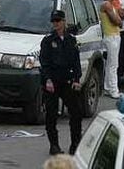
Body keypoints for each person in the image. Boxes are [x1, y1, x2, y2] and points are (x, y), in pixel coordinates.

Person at [40, 10, 82, 155]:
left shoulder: (71, 39)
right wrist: (48, 80)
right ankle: (54, 145)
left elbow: (76, 62)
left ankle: (75, 143)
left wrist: (77, 79)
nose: (56, 24)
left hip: (67, 80)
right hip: (52, 81)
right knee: (51, 114)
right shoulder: (48, 40)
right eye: (54, 21)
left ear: (64, 22)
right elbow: (44, 62)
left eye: (58, 21)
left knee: (76, 113)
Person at [100, 0, 122, 99]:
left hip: (114, 35)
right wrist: (119, 20)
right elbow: (116, 21)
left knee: (110, 64)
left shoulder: (111, 5)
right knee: (114, 65)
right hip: (111, 36)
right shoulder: (107, 5)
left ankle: (108, 87)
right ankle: (114, 89)